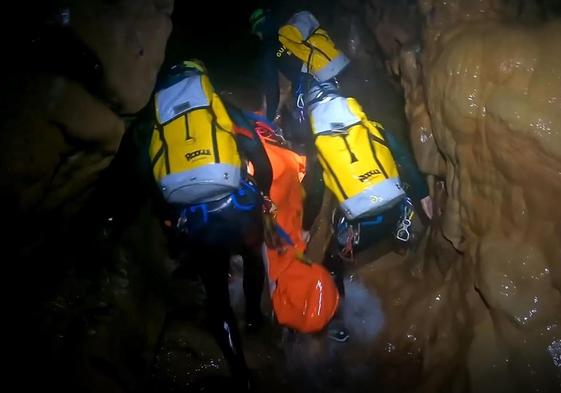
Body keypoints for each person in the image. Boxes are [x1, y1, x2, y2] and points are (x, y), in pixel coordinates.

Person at [147, 59, 278, 390]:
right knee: (251, 256)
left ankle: (240, 376)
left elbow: (151, 178)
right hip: (238, 207)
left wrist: (170, 222)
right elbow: (256, 154)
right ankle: (253, 317)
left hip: (200, 222)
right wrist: (262, 192)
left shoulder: (158, 121)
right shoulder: (218, 105)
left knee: (217, 299)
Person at [302, 80, 433, 342]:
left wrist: (306, 225)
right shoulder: (373, 128)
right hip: (395, 210)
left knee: (331, 263)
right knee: (398, 199)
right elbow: (404, 158)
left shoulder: (322, 146)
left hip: (361, 226)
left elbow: (316, 190)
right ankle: (404, 238)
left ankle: (339, 322)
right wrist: (424, 195)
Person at [249, 8, 350, 153]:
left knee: (303, 129)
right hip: (338, 67)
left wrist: (269, 120)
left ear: (258, 31)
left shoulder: (268, 49)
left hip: (313, 82)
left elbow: (272, 89)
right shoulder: (290, 32)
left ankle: (314, 154)